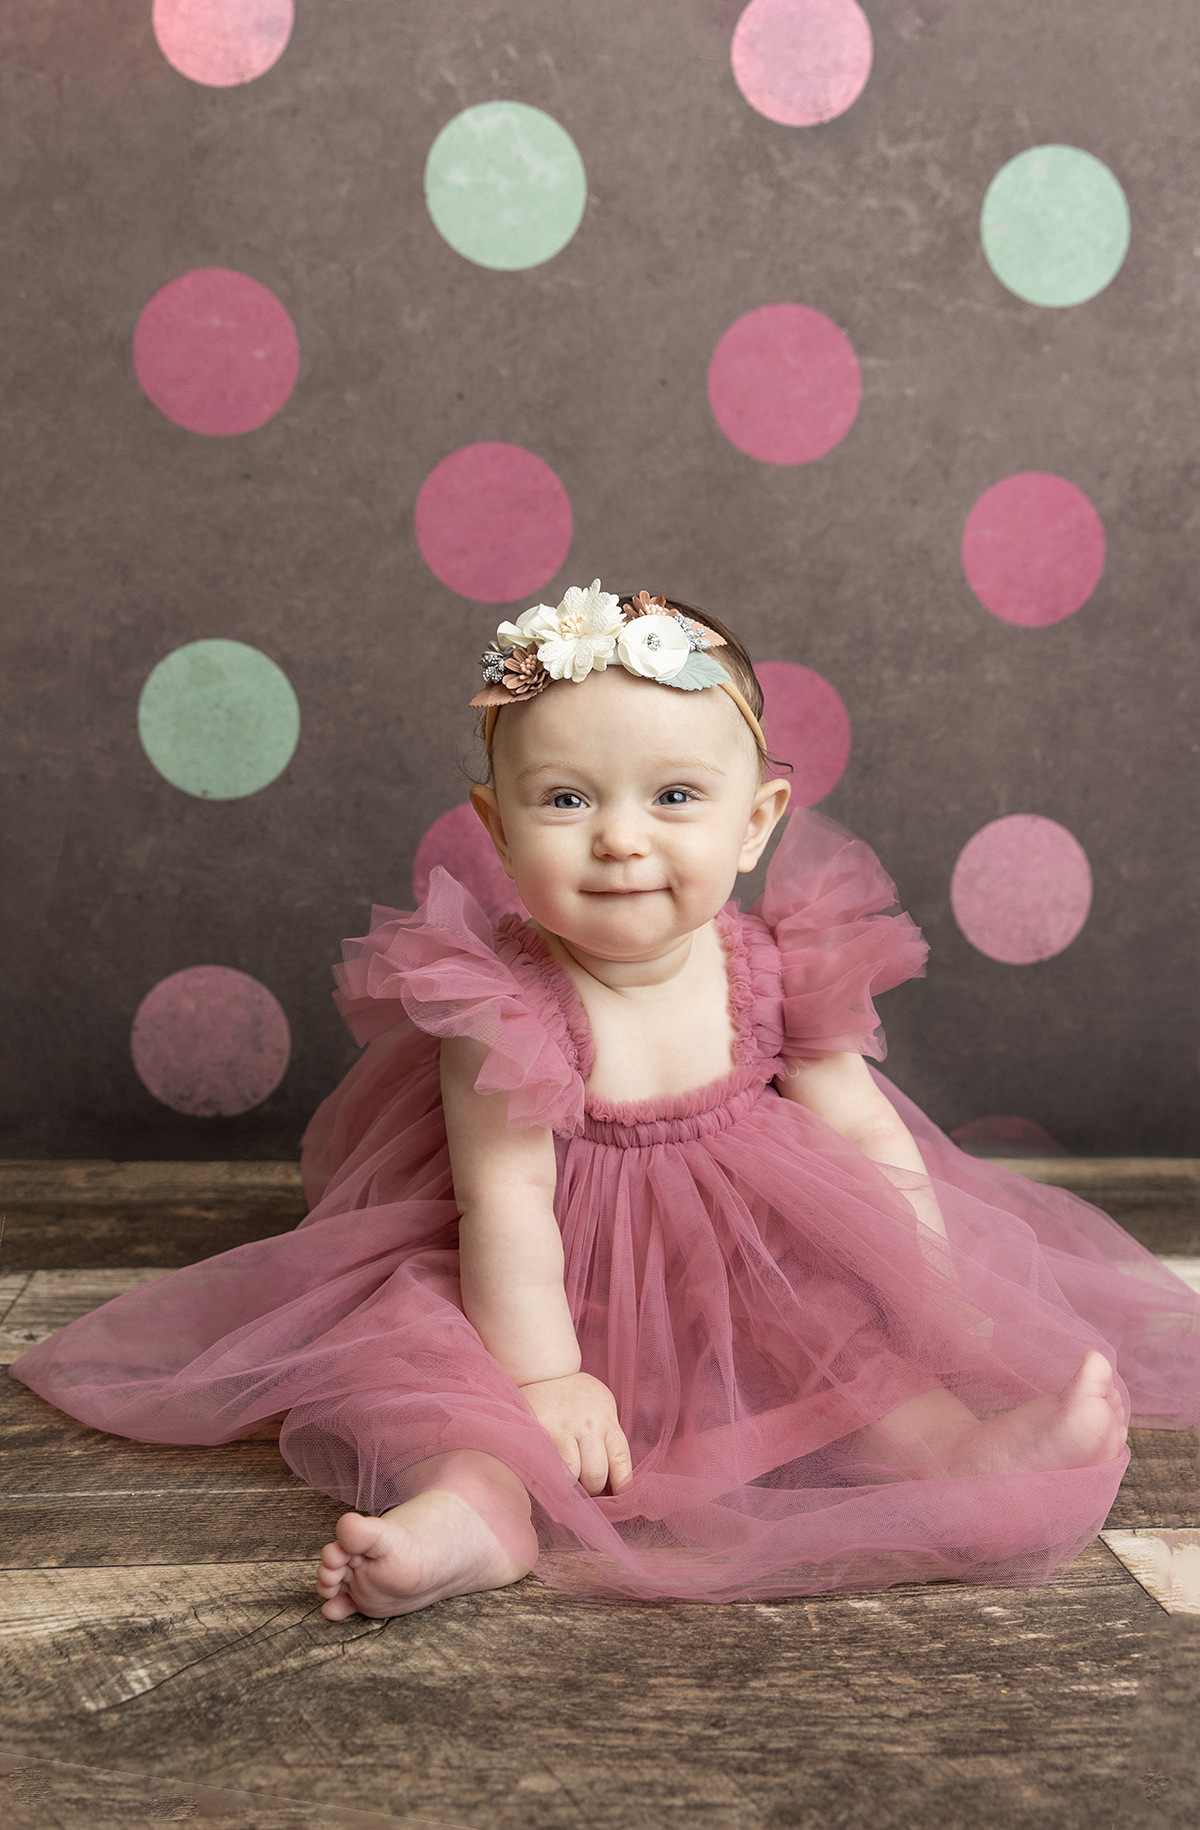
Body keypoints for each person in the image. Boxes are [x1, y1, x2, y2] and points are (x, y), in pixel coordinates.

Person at [11, 582, 1197, 1622]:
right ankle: (475, 1512)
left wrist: (932, 1286)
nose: (622, 840)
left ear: (755, 823)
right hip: (547, 1285)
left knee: (844, 1339)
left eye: (674, 796)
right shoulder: (503, 1005)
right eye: (568, 801)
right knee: (440, 1375)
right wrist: (543, 1379)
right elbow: (507, 1205)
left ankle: (961, 1457)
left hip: (747, 1262)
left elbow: (863, 1128)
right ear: (496, 827)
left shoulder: (779, 962)